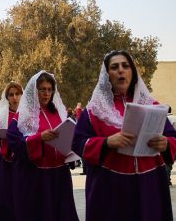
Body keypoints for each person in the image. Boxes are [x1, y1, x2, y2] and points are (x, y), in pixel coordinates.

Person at [72, 50, 176, 220]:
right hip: (110, 189)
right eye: (114, 67)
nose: (121, 70)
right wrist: (106, 142)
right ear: (107, 75)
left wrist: (166, 143)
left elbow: (173, 138)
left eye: (125, 66)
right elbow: (77, 143)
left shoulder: (152, 105)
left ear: (132, 72)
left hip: (149, 185)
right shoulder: (94, 111)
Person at [7, 71, 79, 220]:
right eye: (42, 89)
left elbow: (69, 136)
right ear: (35, 90)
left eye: (49, 89)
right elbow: (13, 141)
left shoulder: (59, 113)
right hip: (36, 179)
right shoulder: (23, 116)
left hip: (60, 177)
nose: (46, 93)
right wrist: (39, 138)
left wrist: (71, 151)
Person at [0, 81, 23, 221]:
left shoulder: (27, 114)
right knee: (5, 193)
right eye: (11, 95)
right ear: (7, 97)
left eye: (17, 94)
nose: (14, 97)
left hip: (22, 159)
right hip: (4, 159)